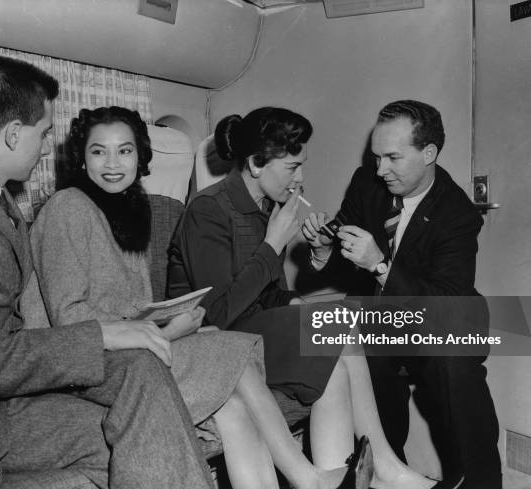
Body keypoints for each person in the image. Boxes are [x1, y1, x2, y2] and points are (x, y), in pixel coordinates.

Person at [28, 105, 359, 489]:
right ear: (83, 161)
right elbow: (71, 323)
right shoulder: (67, 207)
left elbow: (133, 312)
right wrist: (165, 334)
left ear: (140, 158)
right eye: (98, 151)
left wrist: (174, 326)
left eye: (125, 151)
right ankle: (309, 479)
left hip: (127, 347)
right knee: (231, 354)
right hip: (76, 360)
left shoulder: (129, 215)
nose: (112, 163)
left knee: (231, 404)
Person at [0, 56, 215, 489]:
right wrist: (104, 333)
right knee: (137, 428)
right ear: (14, 134)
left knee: (141, 417)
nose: (49, 147)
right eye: (44, 133)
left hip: (0, 402)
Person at [168, 106, 435, 489]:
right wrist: (273, 241)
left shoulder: (268, 207)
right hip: (215, 341)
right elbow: (218, 313)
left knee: (339, 331)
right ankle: (380, 470)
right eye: (293, 167)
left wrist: (296, 304)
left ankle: (356, 469)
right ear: (257, 165)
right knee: (334, 329)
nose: (301, 177)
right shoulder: (208, 210)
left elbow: (269, 294)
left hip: (252, 331)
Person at [302, 100, 502, 489]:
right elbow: (348, 242)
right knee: (352, 350)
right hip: (380, 316)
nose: (380, 170)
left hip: (443, 316)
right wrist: (324, 250)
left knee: (455, 364)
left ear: (429, 153)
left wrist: (379, 265)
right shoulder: (367, 182)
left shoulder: (457, 214)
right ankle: (385, 472)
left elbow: (445, 299)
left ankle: (482, 480)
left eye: (393, 157)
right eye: (377, 157)